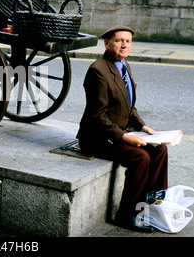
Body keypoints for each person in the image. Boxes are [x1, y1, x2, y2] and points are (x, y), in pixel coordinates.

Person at [76, 25, 168, 232]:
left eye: (128, 41)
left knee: (160, 147)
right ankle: (127, 215)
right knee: (140, 157)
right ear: (107, 43)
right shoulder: (98, 71)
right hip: (97, 137)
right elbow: (97, 117)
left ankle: (153, 202)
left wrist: (143, 127)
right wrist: (126, 137)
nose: (124, 44)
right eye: (119, 40)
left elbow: (129, 106)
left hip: (120, 131)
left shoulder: (123, 65)